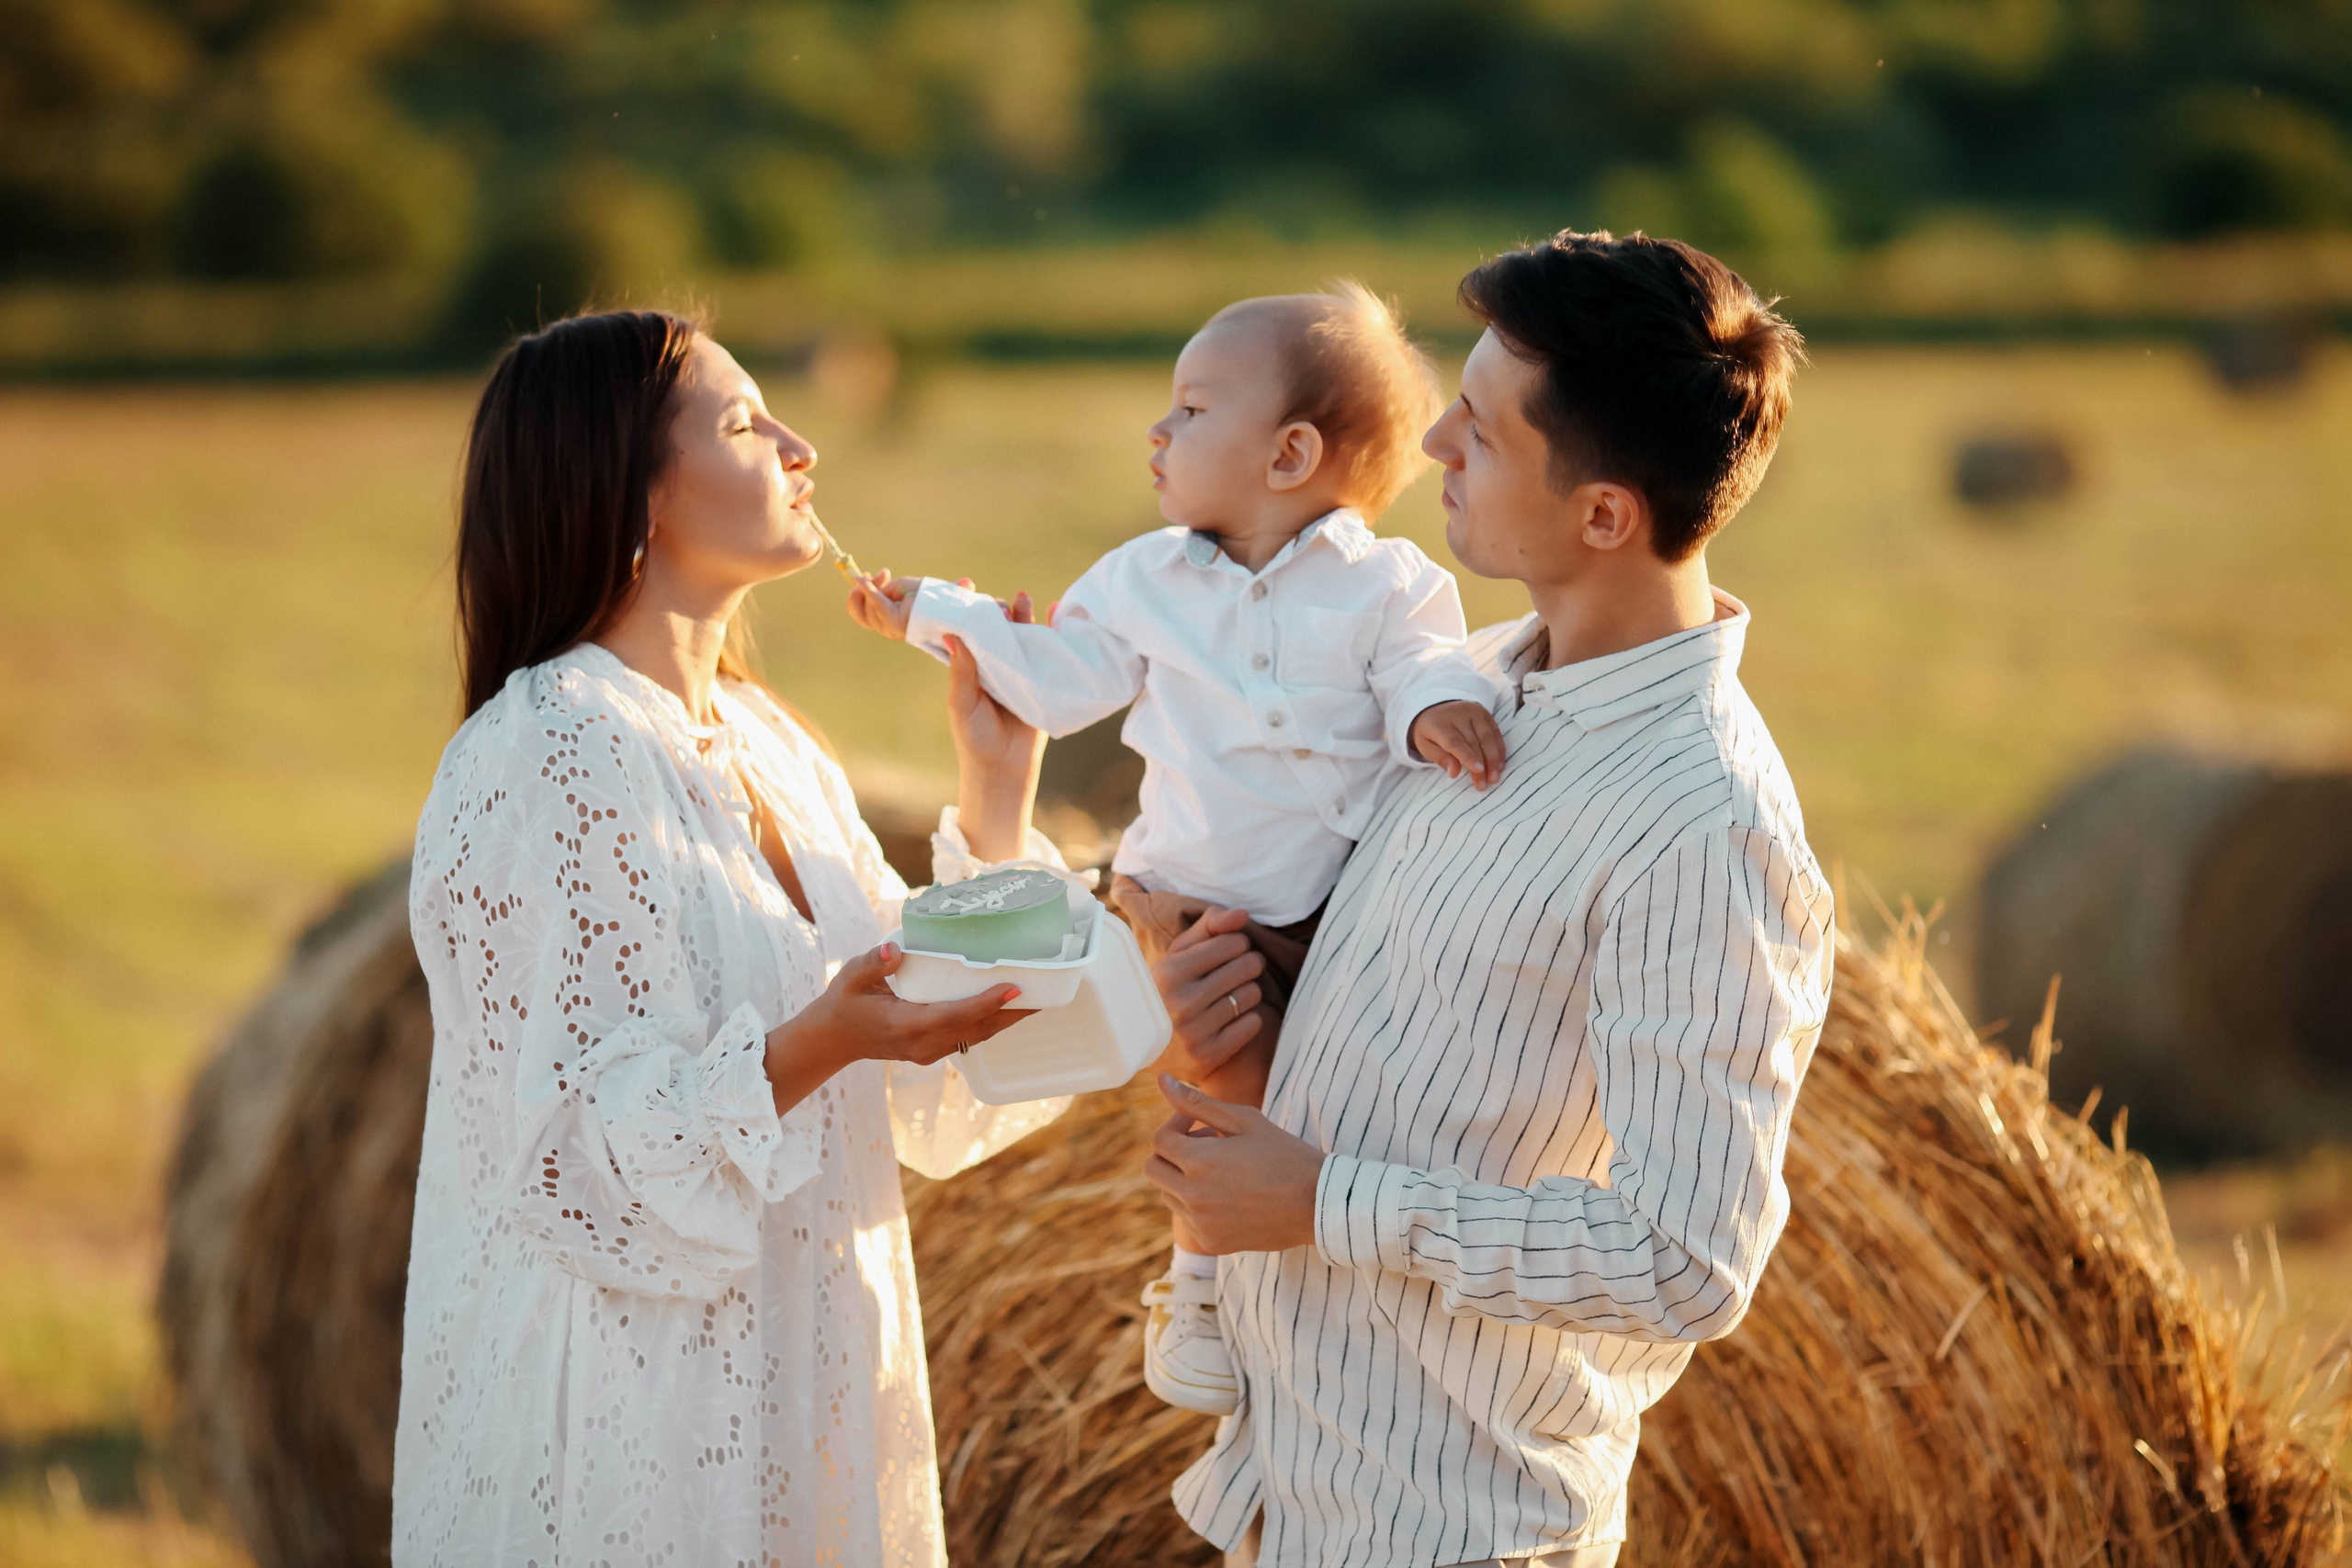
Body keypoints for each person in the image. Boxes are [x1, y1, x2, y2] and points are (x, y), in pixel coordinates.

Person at [1141, 231, 1838, 1567]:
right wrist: (1231, 1046)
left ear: (1603, 515)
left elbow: (1687, 1255)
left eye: (1480, 432)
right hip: (1294, 1494)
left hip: (1461, 1527)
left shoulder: (1705, 825)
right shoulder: (1450, 690)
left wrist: (1328, 1198)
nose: (1432, 448)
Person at [392, 310, 1072, 1567]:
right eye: (749, 421)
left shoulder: (774, 744)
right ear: (631, 490)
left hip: (811, 1370)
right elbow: (576, 1159)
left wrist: (997, 788)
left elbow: (931, 1075)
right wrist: (813, 1043)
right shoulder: (544, 750)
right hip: (635, 1418)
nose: (804, 445)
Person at [842, 283, 1507, 1416]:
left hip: (1342, 907)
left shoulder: (1390, 585)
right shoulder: (1140, 580)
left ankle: (1350, 1317)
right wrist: (937, 616)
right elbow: (1055, 682)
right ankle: (1197, 1281)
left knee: (1345, 1104)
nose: (1158, 433)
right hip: (1195, 903)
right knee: (1224, 1082)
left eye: (1192, 410)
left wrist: (1435, 710)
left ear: (1291, 453)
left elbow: (1422, 665)